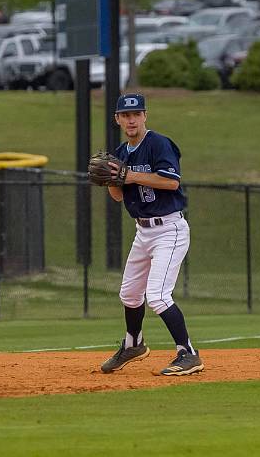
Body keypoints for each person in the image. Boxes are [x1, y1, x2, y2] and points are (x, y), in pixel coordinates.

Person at [100, 93, 204, 376]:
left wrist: (129, 175)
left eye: (136, 114)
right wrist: (110, 180)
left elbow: (170, 182)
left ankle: (189, 354)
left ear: (145, 116)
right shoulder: (121, 153)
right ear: (118, 119)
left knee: (157, 295)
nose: (131, 119)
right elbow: (118, 197)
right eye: (125, 115)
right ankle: (134, 344)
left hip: (169, 228)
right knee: (130, 294)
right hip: (143, 231)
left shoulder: (159, 144)